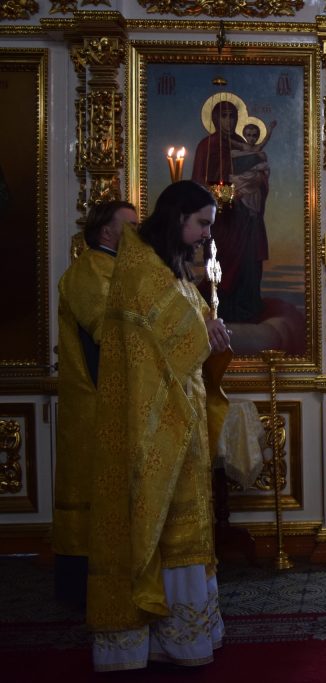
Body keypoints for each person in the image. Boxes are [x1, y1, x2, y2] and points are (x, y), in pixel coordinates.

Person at [86, 181, 232, 672]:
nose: (206, 234)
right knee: (159, 522)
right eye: (202, 223)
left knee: (183, 524)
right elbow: (160, 341)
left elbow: (191, 326)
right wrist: (203, 330)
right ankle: (150, 640)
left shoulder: (168, 269)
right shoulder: (141, 270)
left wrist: (211, 326)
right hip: (152, 423)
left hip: (181, 417)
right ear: (178, 217)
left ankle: (182, 636)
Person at [53, 200, 137, 609]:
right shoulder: (91, 270)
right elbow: (111, 336)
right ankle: (84, 595)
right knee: (91, 493)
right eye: (130, 226)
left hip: (111, 405)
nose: (137, 234)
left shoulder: (117, 268)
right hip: (94, 407)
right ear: (106, 232)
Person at [191, 100, 269, 323]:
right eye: (223, 116)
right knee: (222, 262)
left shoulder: (242, 144)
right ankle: (220, 310)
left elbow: (261, 177)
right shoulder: (206, 146)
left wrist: (257, 181)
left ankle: (247, 310)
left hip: (247, 216)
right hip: (222, 219)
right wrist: (231, 193)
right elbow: (199, 184)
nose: (228, 121)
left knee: (249, 263)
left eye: (232, 116)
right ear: (215, 119)